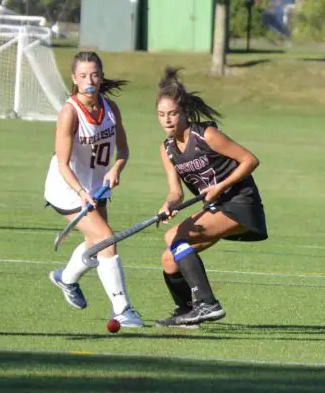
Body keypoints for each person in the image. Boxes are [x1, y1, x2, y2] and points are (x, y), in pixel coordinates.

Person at [154, 67, 268, 327]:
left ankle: (207, 304)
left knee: (173, 238)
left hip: (240, 202)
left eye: (172, 113)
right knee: (169, 258)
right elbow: (176, 191)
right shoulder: (167, 149)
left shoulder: (206, 135)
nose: (168, 120)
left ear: (184, 112)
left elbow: (250, 160)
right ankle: (186, 312)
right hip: (218, 207)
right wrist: (169, 204)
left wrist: (220, 186)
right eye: (162, 115)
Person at [45, 51, 143, 327]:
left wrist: (116, 169)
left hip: (96, 185)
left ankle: (65, 278)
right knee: (106, 239)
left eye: (95, 74)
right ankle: (122, 309)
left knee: (95, 242)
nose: (90, 80)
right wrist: (80, 192)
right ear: (74, 79)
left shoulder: (111, 109)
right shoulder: (69, 113)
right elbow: (63, 164)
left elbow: (122, 148)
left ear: (101, 76)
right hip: (67, 188)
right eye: (84, 75)